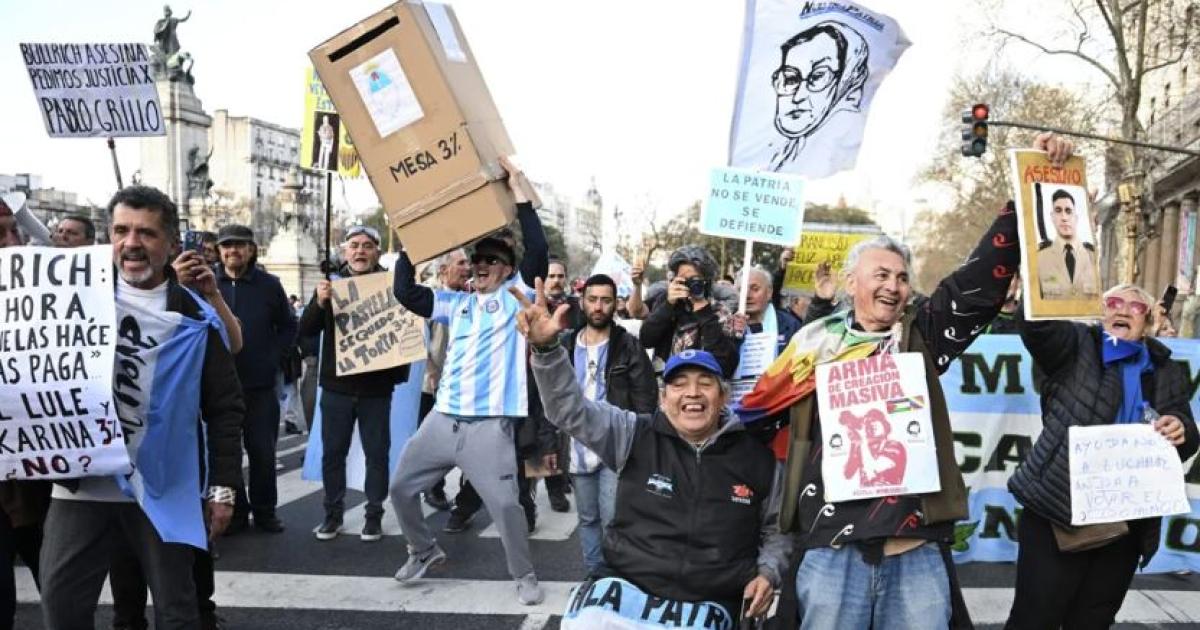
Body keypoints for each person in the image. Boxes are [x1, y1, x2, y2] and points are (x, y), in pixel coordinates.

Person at [739, 133, 1076, 630]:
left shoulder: (921, 336)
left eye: (901, 277)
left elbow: (980, 284)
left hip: (916, 552)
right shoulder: (810, 346)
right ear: (851, 282)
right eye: (880, 275)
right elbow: (756, 421)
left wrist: (1032, 186)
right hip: (831, 549)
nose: (893, 286)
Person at [514, 279, 791, 627]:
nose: (693, 393)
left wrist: (768, 572)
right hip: (628, 588)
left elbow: (778, 530)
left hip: (711, 600)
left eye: (705, 383)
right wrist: (547, 351)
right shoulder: (634, 433)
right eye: (679, 384)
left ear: (722, 398)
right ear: (663, 397)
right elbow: (570, 410)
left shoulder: (757, 459)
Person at [39, 185, 244, 630]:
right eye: (121, 230)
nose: (131, 243)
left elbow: (225, 406)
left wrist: (224, 487)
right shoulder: (69, 296)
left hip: (163, 488)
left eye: (146, 233)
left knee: (177, 611)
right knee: (61, 606)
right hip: (82, 486)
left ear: (171, 244)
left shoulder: (194, 314)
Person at [389, 158, 549, 605]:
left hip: (488, 426)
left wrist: (522, 201)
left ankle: (524, 575)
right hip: (442, 420)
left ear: (506, 270)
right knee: (400, 490)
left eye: (490, 261)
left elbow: (536, 253)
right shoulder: (455, 303)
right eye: (476, 260)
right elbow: (407, 294)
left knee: (504, 506)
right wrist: (408, 245)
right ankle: (422, 550)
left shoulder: (516, 298)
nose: (479, 266)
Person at [1005, 284, 1199, 629]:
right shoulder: (1076, 345)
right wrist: (1044, 273)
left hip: (1126, 523)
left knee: (1093, 621)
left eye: (1136, 307)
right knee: (1035, 620)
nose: (1122, 311)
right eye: (1113, 302)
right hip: (1058, 514)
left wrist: (1180, 428)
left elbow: (1186, 433)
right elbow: (1036, 325)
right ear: (1101, 311)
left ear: (1150, 320)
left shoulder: (1165, 368)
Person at [109, 245, 245, 630]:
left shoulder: (190, 302)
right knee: (125, 564)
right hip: (120, 456)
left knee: (183, 561)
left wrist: (207, 295)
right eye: (121, 232)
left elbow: (233, 345)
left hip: (178, 453)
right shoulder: (105, 295)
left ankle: (201, 614)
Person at [298, 226, 409, 542]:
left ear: (376, 251)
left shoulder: (391, 286)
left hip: (376, 390)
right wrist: (319, 303)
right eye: (354, 245)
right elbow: (305, 329)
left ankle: (373, 515)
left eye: (367, 245)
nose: (360, 251)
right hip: (337, 389)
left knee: (377, 453)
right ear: (345, 252)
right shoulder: (330, 286)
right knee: (333, 453)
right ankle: (332, 515)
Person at [559, 274, 657, 574]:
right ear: (582, 302)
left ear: (615, 304)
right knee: (587, 518)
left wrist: (641, 446)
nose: (598, 306)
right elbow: (550, 399)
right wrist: (549, 444)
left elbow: (645, 400)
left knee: (614, 517)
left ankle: (617, 576)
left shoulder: (629, 346)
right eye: (592, 299)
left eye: (605, 300)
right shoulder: (565, 344)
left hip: (616, 448)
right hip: (577, 448)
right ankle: (595, 576)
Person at [215, 224, 297, 534]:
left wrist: (274, 357)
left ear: (251, 250)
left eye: (239, 245)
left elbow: (288, 326)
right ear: (219, 250)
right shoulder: (207, 284)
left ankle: (265, 511)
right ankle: (235, 512)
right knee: (226, 455)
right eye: (227, 245)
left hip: (260, 385)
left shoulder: (269, 285)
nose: (232, 251)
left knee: (262, 451)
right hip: (218, 388)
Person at [0, 201, 51, 630]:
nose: (14, 243)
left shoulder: (44, 297)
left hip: (39, 476)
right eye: (1, 235)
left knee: (61, 590)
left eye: (15, 231)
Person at [770, 21, 870, 172]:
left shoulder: (840, 162)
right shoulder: (783, 157)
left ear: (846, 81)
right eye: (790, 79)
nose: (798, 97)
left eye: (817, 77)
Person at [418, 249, 470, 512]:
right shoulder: (428, 298)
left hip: (460, 383)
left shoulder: (469, 296)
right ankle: (433, 487)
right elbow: (419, 342)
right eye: (461, 263)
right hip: (432, 385)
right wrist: (432, 373)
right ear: (443, 271)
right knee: (433, 439)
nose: (467, 268)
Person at [640, 246, 744, 377]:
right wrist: (668, 306)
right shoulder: (668, 304)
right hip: (667, 388)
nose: (690, 285)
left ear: (707, 281)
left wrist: (704, 312)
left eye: (695, 280)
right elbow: (646, 340)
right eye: (684, 280)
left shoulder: (720, 312)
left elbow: (726, 365)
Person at [1037, 189, 1099, 300]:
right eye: (1058, 211)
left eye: (1068, 211)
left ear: (1076, 217)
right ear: (1052, 217)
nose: (1064, 218)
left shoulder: (1093, 256)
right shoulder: (1039, 258)